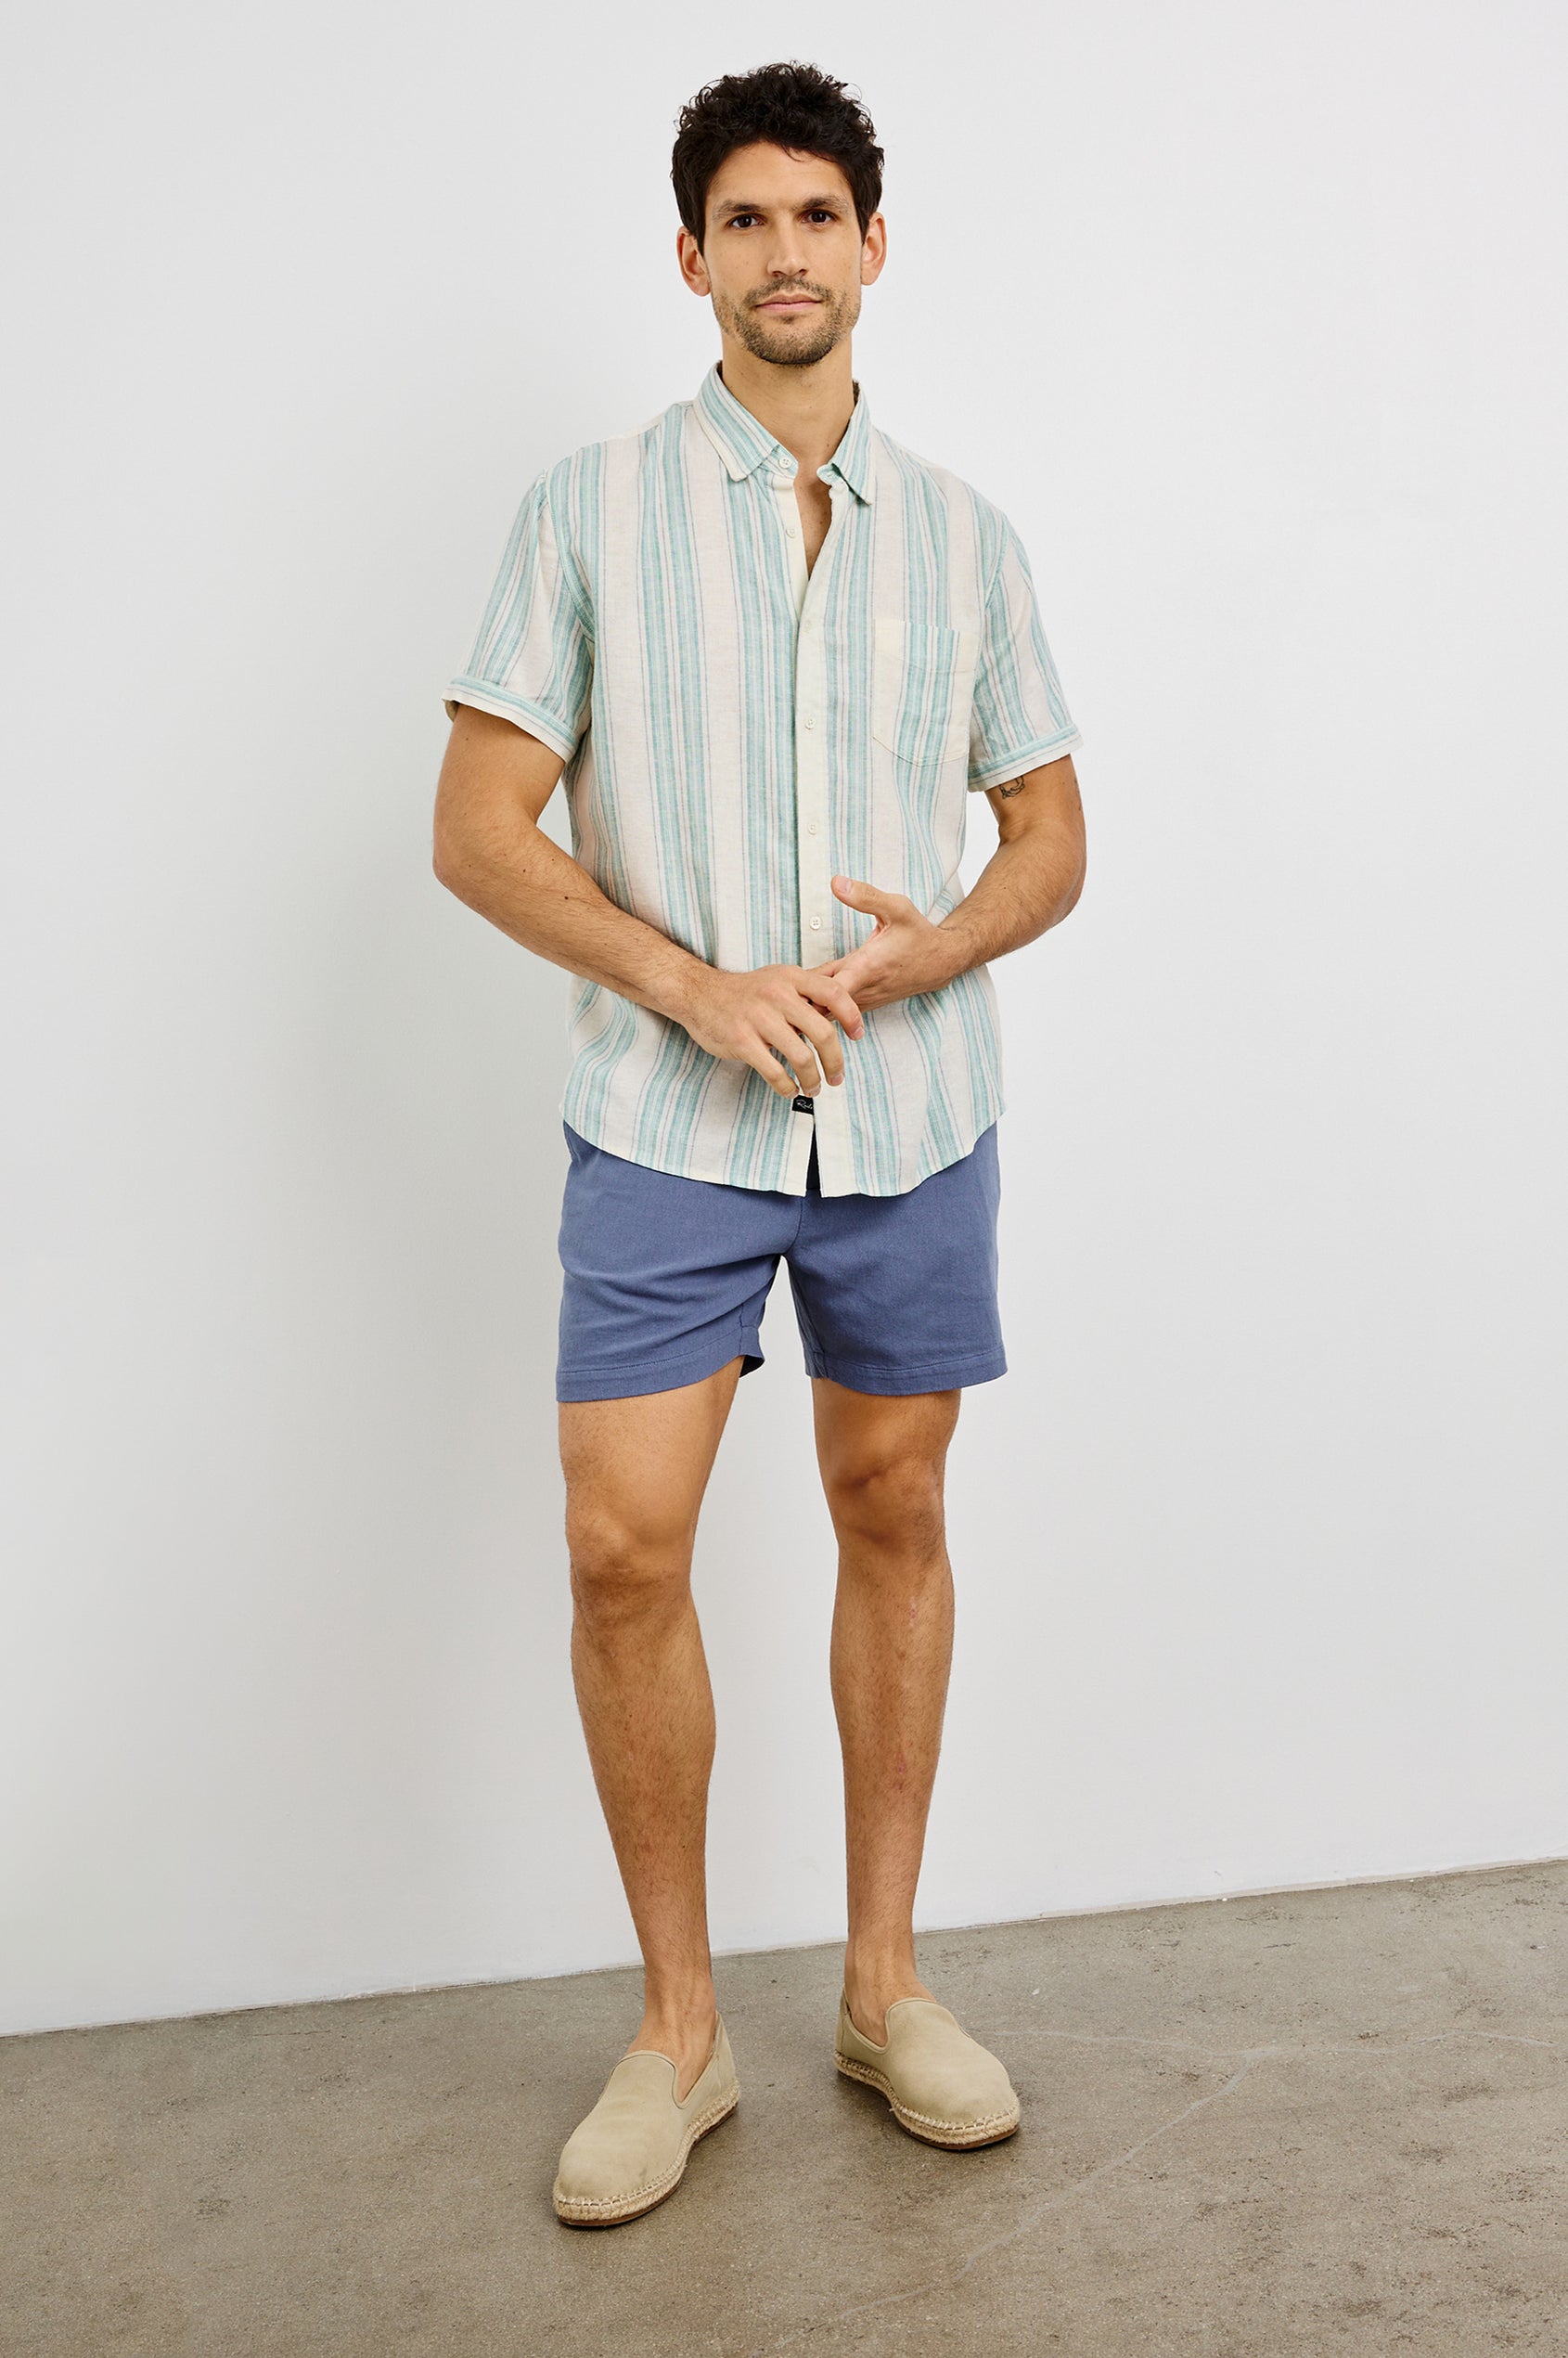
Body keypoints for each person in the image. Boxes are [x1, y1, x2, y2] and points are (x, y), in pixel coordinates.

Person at [431, 59, 1086, 2226]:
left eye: (818, 216)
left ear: (872, 247)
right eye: (745, 219)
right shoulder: (586, 512)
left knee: (892, 1502)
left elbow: (1047, 837)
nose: (784, 252)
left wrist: (930, 951)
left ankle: (883, 1987)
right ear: (691, 256)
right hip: (664, 1116)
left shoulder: (965, 536)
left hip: (912, 1109)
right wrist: (691, 983)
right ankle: (678, 2028)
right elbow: (475, 827)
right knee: (623, 1543)